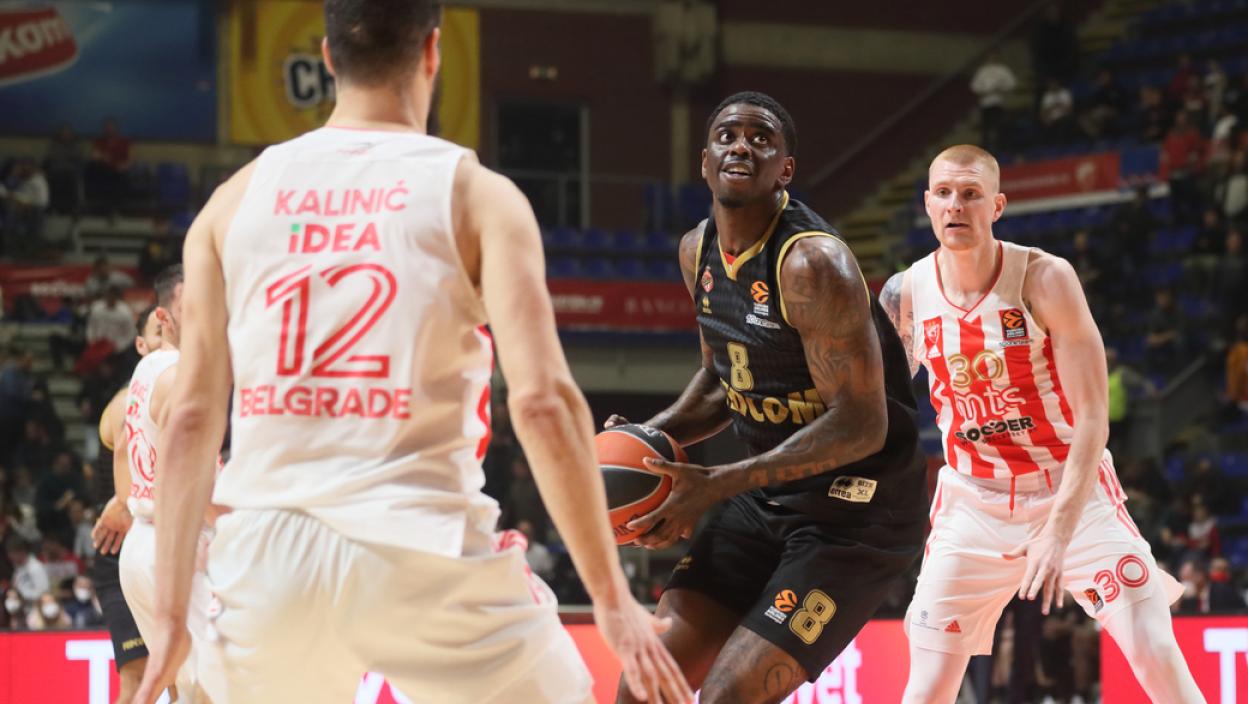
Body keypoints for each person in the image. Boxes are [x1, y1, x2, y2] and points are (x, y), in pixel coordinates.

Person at [135, 3, 690, 703]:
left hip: (268, 556)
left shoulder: (230, 202)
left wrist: (170, 617)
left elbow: (191, 418)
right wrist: (610, 598)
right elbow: (543, 404)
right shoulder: (479, 195)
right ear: (432, 52)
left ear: (328, 58)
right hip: (421, 544)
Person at [607, 91, 928, 703]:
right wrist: (652, 443)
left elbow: (863, 424)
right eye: (727, 136)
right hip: (764, 498)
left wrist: (714, 483)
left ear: (785, 170)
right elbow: (723, 377)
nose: (741, 147)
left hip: (856, 515)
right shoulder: (697, 250)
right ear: (705, 161)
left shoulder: (814, 264)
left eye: (761, 139)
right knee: (644, 685)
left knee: (727, 698)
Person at [880, 144, 1201, 703]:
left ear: (997, 206)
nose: (956, 205)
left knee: (1154, 649)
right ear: (927, 204)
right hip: (972, 504)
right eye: (945, 194)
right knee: (926, 688)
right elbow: (879, 407)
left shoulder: (1044, 278)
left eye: (971, 194)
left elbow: (1094, 418)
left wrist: (1057, 530)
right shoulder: (904, 294)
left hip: (1066, 488)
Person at [90, 305, 162, 703]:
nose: (166, 342)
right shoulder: (126, 402)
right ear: (140, 344)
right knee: (138, 675)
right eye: (157, 333)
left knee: (181, 675)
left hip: (163, 546)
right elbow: (127, 493)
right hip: (120, 551)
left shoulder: (177, 394)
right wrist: (122, 501)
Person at [970, 51, 1017, 152]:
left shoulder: (1003, 70)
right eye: (990, 57)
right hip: (986, 103)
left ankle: (1000, 149)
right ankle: (986, 149)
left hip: (998, 103)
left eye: (994, 56)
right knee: (986, 128)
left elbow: (1012, 83)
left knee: (999, 127)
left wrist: (1001, 89)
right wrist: (984, 91)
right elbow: (975, 86)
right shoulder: (983, 71)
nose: (992, 59)